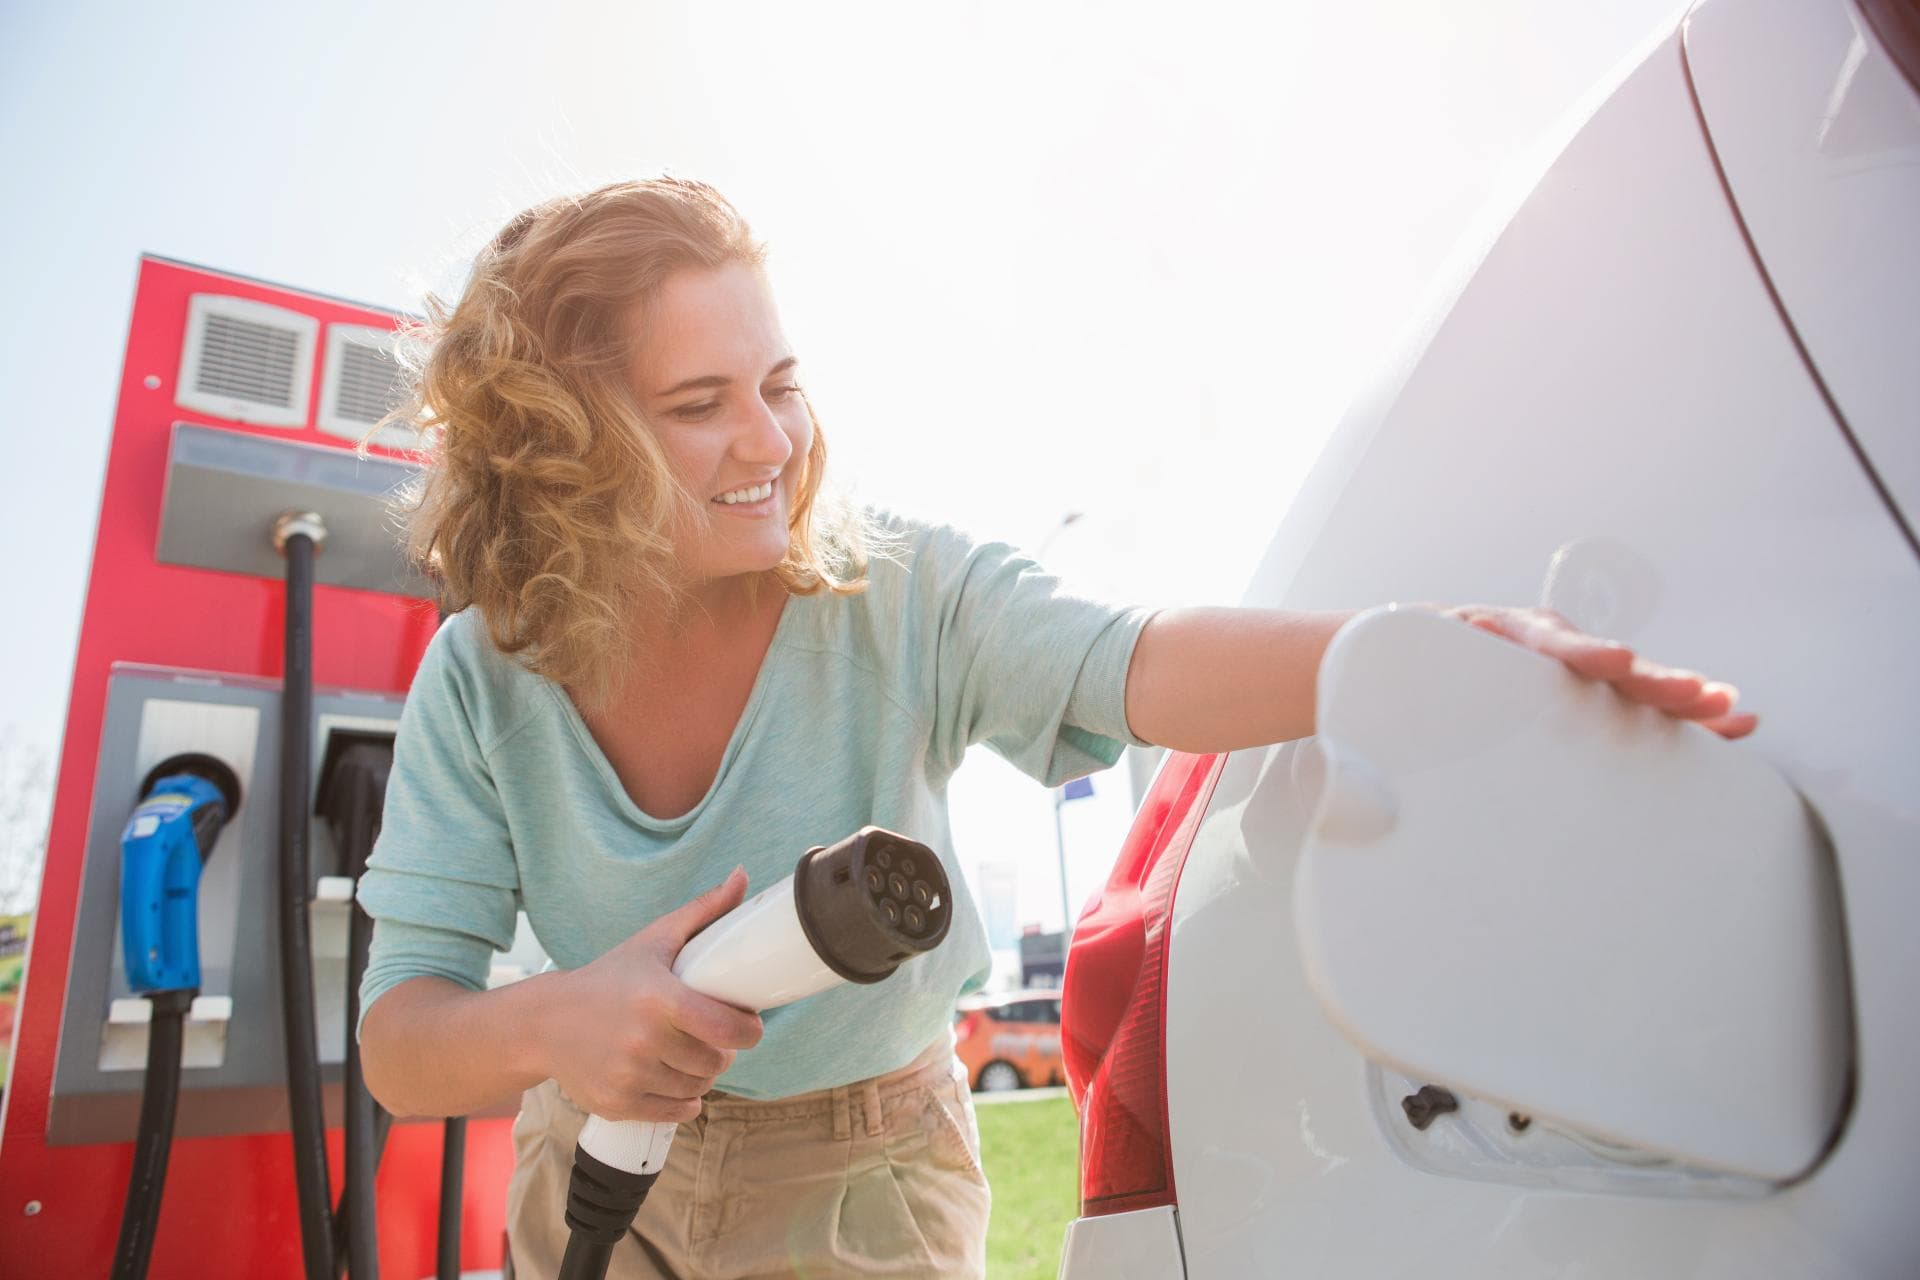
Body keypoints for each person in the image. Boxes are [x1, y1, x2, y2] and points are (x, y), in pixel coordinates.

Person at [354, 176, 1755, 1280]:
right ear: (562, 441)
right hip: (587, 1173)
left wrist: (1418, 658)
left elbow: (1129, 662)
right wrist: (567, 1023)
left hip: (869, 1182)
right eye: (698, 405)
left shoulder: (899, 590)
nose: (775, 444)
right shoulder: (489, 679)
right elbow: (404, 1044)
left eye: (780, 383)